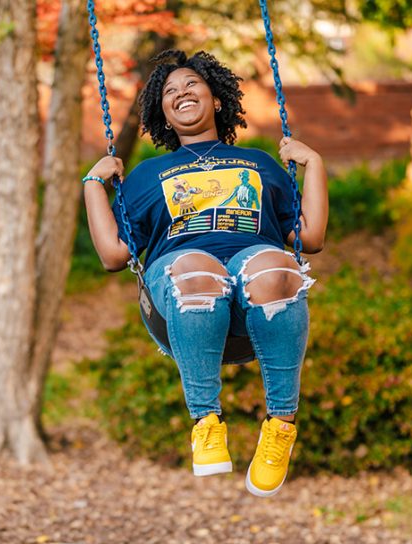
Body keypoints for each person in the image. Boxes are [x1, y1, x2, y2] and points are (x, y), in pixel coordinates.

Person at [81, 50, 328, 498]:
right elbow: (114, 256)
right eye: (170, 91)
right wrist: (94, 185)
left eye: (192, 84)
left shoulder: (259, 163)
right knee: (199, 265)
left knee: (276, 262)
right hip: (183, 292)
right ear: (163, 112)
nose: (181, 93)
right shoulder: (146, 175)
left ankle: (280, 426)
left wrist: (314, 163)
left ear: (215, 98)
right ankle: (206, 422)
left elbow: (309, 237)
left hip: (258, 295)